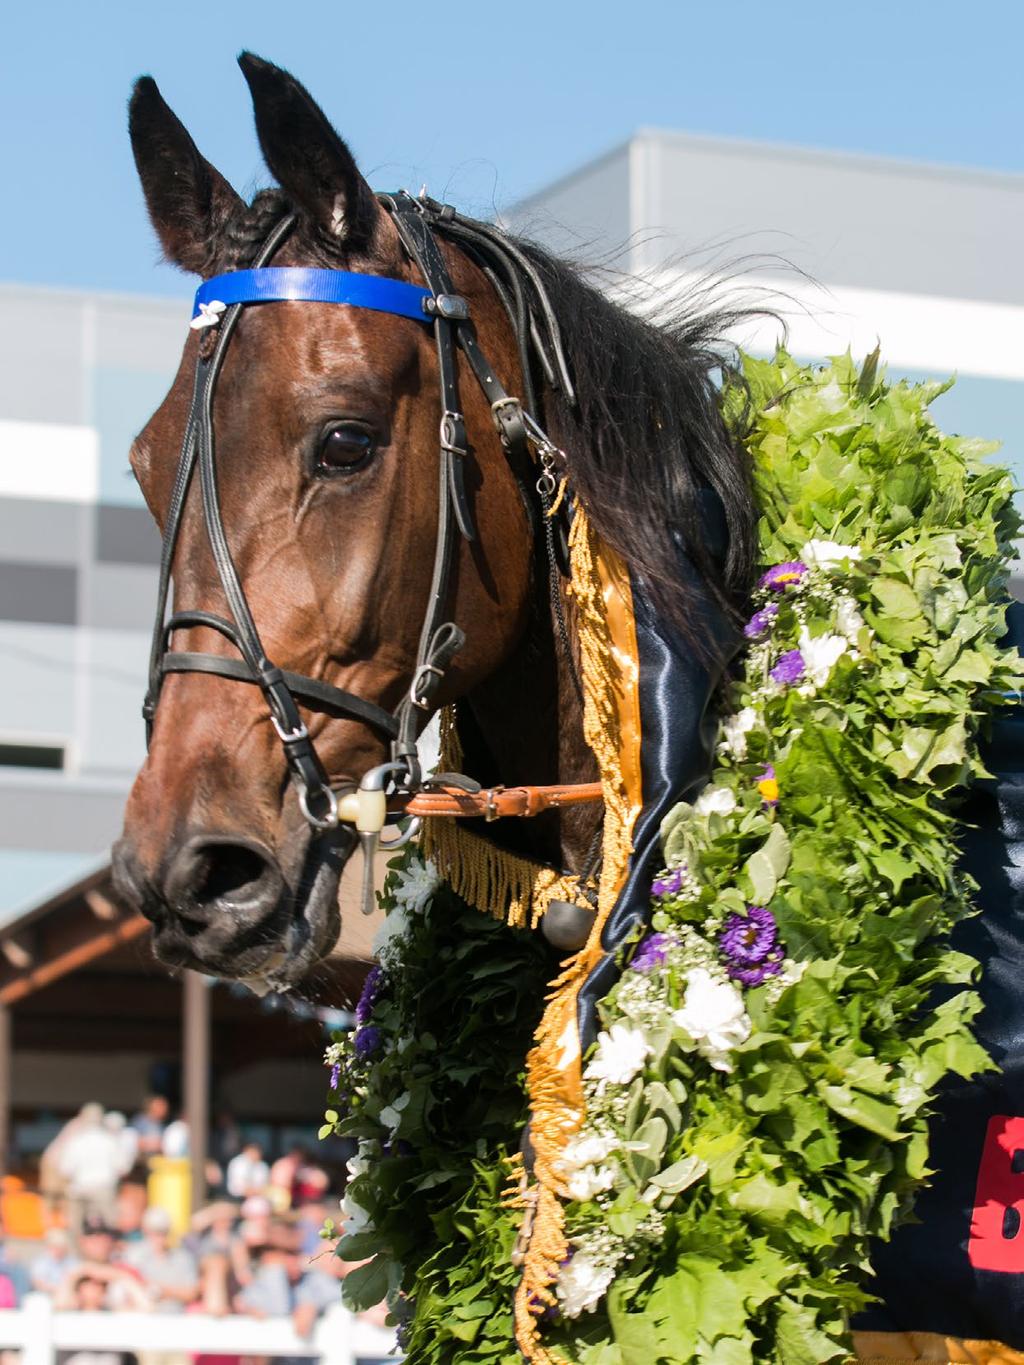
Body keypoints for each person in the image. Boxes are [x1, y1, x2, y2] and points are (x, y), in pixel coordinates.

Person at [58, 1106, 128, 1234]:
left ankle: (77, 1253)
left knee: (76, 1230)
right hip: (105, 1189)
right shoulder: (111, 1141)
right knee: (108, 1230)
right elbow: (123, 1168)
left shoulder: (76, 1141)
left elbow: (65, 1169)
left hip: (79, 1189)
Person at [122, 1206, 198, 1311]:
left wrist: (162, 1291)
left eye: (163, 1232)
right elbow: (125, 1287)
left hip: (175, 1319)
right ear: (145, 1230)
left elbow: (191, 1293)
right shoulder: (133, 1255)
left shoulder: (183, 1258)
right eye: (154, 1231)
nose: (159, 1237)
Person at [30, 1226, 80, 1293]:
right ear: (49, 1246)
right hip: (46, 1294)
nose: (59, 1250)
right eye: (55, 1246)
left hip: (66, 1294)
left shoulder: (72, 1261)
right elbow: (38, 1283)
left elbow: (75, 1281)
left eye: (61, 1246)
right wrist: (55, 1290)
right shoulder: (41, 1261)